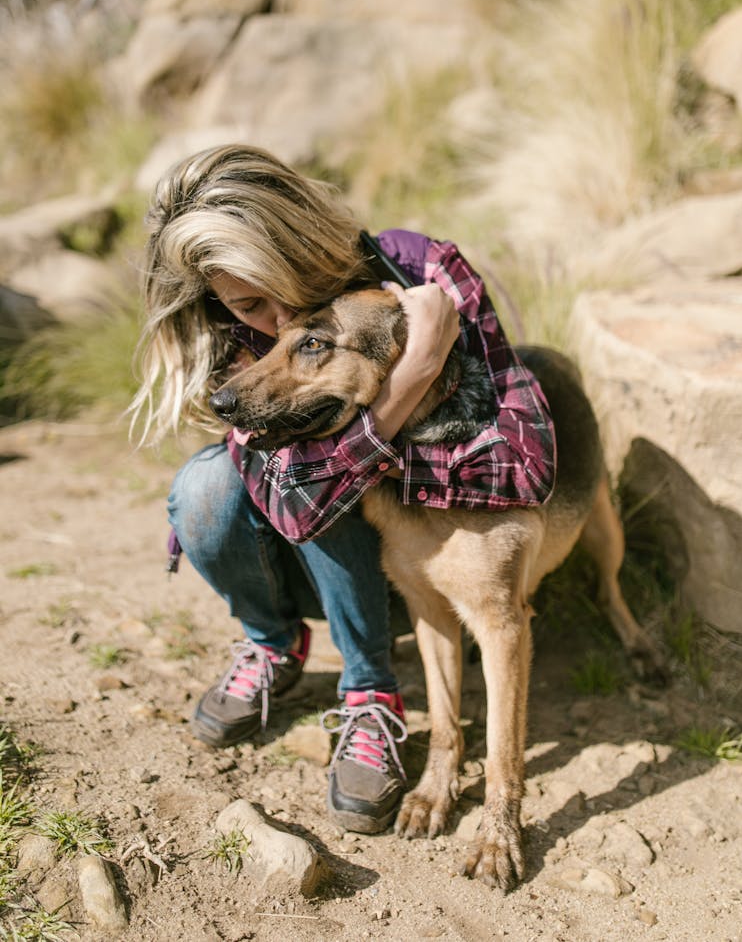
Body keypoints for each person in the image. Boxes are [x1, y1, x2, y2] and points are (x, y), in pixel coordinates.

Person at [130, 143, 556, 835]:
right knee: (207, 487)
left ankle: (370, 690)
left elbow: (529, 461)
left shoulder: (420, 270)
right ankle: (273, 641)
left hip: (410, 563)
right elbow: (297, 506)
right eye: (246, 303)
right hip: (318, 551)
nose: (271, 317)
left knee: (328, 475)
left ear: (298, 241)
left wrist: (367, 426)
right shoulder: (234, 329)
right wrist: (406, 384)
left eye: (275, 285)